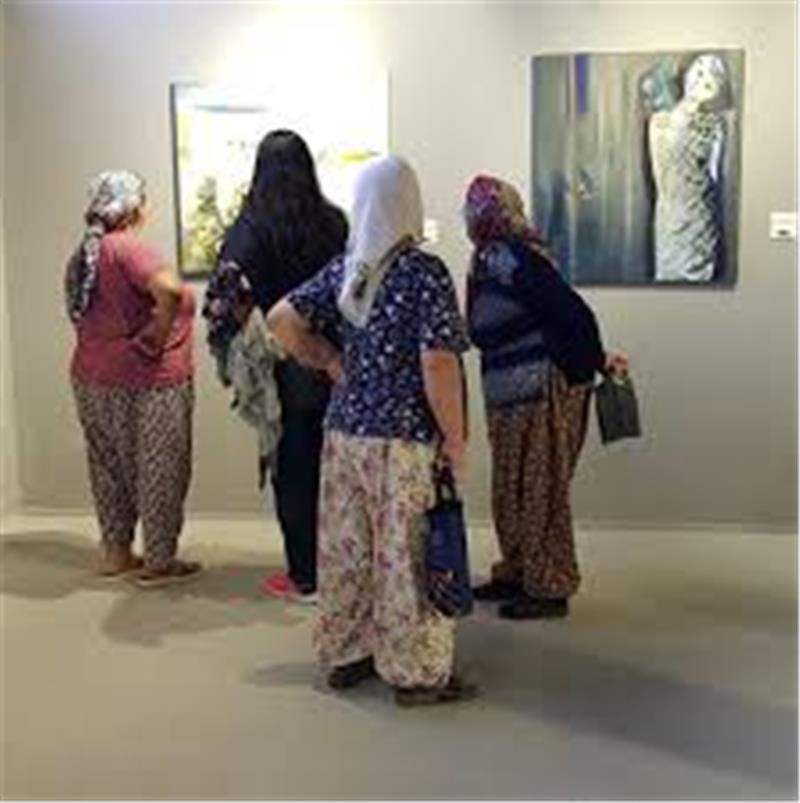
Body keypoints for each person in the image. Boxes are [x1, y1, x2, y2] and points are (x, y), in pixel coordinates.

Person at [267, 156, 477, 707]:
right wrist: (456, 440)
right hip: (404, 438)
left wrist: (331, 361)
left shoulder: (347, 270)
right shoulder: (423, 273)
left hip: (345, 434)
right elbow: (438, 362)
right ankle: (415, 671)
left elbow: (281, 318)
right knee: (406, 555)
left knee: (349, 549)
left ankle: (347, 653)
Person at [463, 175, 628, 620]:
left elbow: (571, 314)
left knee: (540, 488)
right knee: (511, 488)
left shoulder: (512, 255)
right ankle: (518, 571)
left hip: (542, 388)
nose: (470, 216)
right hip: (511, 392)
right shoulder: (492, 257)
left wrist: (596, 358)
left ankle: (550, 585)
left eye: (477, 208)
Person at [205, 130, 348, 603]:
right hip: (337, 364)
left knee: (294, 469)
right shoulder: (334, 223)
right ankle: (344, 568)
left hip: (284, 366)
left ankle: (305, 576)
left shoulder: (250, 229)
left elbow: (224, 301)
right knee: (340, 470)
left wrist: (236, 348)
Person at [66, 170, 199, 588]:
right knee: (160, 466)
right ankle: (159, 562)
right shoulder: (128, 248)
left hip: (92, 376)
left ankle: (117, 552)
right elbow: (170, 291)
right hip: (148, 379)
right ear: (132, 208)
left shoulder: (85, 252)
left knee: (109, 466)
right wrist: (155, 336)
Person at [648, 54, 730, 282]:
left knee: (699, 278)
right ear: (687, 76)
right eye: (699, 73)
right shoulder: (660, 122)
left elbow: (714, 176)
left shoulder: (714, 126)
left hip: (700, 218)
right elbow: (660, 175)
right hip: (672, 215)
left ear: (717, 89)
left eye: (711, 80)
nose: (701, 81)